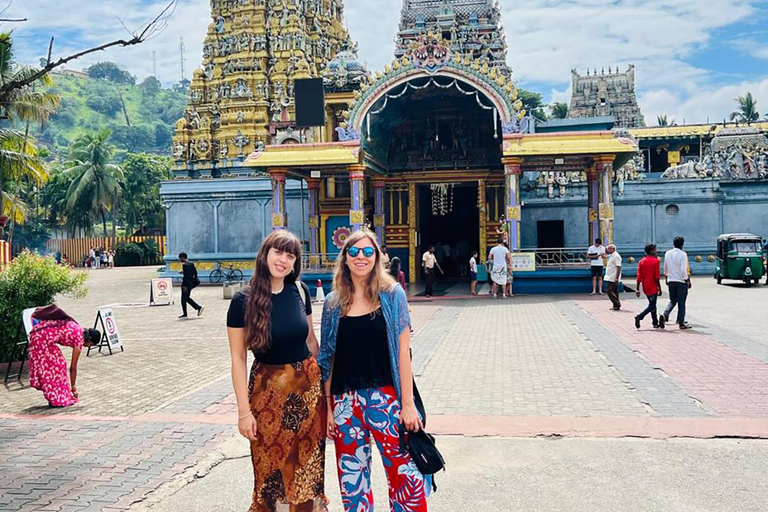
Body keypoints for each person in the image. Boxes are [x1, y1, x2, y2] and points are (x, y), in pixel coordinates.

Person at [318, 229, 429, 512]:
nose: (361, 257)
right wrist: (329, 409)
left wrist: (408, 405)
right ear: (344, 259)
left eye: (368, 252)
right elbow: (328, 359)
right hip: (345, 403)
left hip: (386, 398)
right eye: (353, 252)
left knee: (404, 477)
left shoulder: (392, 295)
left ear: (377, 257)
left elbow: (404, 353)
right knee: (353, 483)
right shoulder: (333, 303)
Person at [226, 230, 327, 512]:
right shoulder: (242, 301)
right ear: (265, 255)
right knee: (271, 472)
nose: (283, 260)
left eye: (290, 255)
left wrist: (325, 398)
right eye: (278, 252)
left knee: (307, 470)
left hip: (308, 394)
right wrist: (243, 413)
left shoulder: (300, 291)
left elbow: (311, 341)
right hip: (267, 396)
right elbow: (237, 360)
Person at [27, 305, 101, 407]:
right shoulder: (79, 339)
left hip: (39, 334)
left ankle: (56, 396)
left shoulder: (78, 328)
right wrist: (73, 388)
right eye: (90, 345)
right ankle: (55, 398)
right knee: (54, 366)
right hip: (41, 338)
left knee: (59, 364)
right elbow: (73, 368)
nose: (88, 347)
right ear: (89, 339)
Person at [663, 236, 692, 329]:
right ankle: (681, 322)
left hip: (671, 280)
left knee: (672, 300)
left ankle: (665, 314)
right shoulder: (683, 254)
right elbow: (683, 270)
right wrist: (687, 280)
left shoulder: (668, 253)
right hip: (680, 281)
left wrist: (666, 277)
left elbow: (665, 267)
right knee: (681, 302)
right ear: (682, 244)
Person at [635, 244, 665, 329]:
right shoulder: (656, 261)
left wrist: (637, 288)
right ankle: (640, 316)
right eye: (655, 250)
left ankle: (655, 322)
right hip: (653, 285)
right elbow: (656, 276)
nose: (656, 251)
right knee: (652, 305)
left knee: (652, 304)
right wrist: (659, 287)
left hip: (645, 286)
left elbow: (639, 275)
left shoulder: (641, 261)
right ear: (651, 251)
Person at [179, 252, 203, 318]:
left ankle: (198, 307)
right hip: (192, 283)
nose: (180, 260)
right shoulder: (191, 263)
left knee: (185, 298)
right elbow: (194, 273)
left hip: (186, 284)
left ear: (183, 258)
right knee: (184, 299)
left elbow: (187, 276)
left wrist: (184, 285)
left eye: (180, 258)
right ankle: (185, 313)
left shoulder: (184, 265)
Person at [605, 244, 622, 310]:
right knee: (614, 291)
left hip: (613, 276)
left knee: (609, 290)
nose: (608, 250)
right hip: (610, 275)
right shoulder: (612, 256)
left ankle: (617, 303)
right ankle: (616, 306)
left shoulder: (616, 256)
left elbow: (618, 267)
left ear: (613, 249)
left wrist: (617, 277)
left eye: (609, 249)